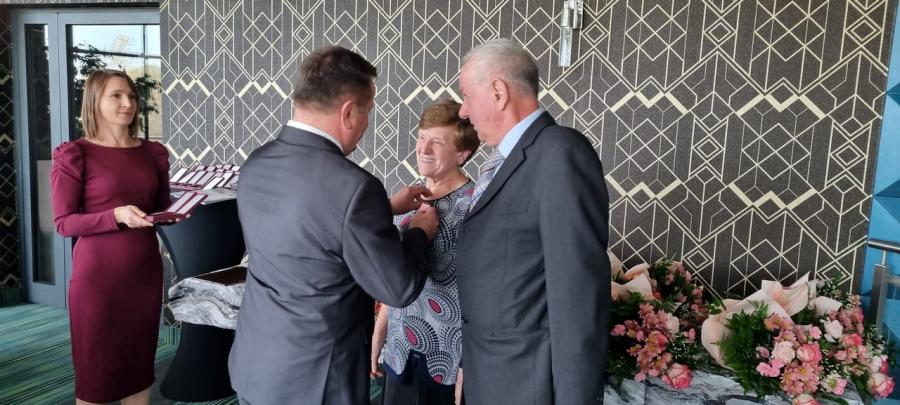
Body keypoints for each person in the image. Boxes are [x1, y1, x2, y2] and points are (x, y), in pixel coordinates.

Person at [228, 46, 439, 405]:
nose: (367, 123)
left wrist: (385, 208)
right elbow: (398, 288)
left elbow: (305, 230)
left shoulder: (256, 163)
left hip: (256, 362)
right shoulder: (355, 188)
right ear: (348, 112)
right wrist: (419, 232)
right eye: (368, 111)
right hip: (317, 381)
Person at [454, 39, 612, 405]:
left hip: (529, 384)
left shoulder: (560, 153)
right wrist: (468, 365)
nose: (463, 110)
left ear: (498, 92)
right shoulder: (502, 162)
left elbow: (578, 294)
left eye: (466, 95)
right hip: (489, 374)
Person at [51, 69, 171, 405]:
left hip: (144, 274)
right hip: (98, 281)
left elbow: (160, 208)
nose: (128, 103)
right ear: (94, 101)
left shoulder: (153, 153)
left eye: (131, 96)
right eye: (116, 96)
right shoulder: (76, 154)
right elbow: (64, 223)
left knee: (139, 370)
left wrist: (184, 207)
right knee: (97, 379)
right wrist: (115, 216)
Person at [370, 99, 479, 405]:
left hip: (447, 360)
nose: (423, 149)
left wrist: (469, 364)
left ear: (462, 154)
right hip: (400, 352)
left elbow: (484, 295)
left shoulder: (475, 207)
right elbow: (399, 276)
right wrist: (379, 335)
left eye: (437, 142)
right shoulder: (410, 199)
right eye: (421, 138)